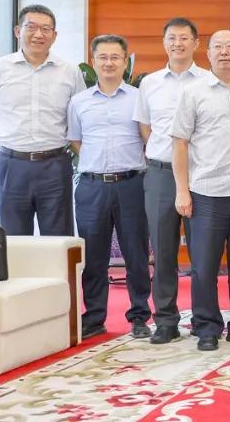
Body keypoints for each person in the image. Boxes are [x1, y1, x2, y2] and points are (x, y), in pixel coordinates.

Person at [170, 30, 230, 351]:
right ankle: (206, 326)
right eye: (218, 47)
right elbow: (179, 144)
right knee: (204, 266)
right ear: (208, 53)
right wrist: (182, 190)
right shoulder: (193, 92)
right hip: (206, 192)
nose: (225, 52)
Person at [0, 4, 86, 235]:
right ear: (18, 31)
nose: (38, 34)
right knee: (14, 236)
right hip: (12, 165)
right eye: (31, 27)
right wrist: (9, 138)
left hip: (55, 164)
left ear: (54, 35)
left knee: (58, 237)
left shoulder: (70, 72)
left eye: (46, 29)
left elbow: (79, 117)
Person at [67, 35, 152, 340]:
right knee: (93, 256)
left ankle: (140, 315)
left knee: (136, 254)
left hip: (132, 185)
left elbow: (148, 137)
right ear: (94, 61)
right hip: (92, 187)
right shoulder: (79, 102)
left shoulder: (139, 97)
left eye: (115, 57)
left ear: (125, 62)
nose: (108, 63)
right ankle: (94, 317)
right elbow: (75, 141)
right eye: (102, 57)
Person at [133, 17, 211, 345]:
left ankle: (205, 320)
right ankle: (166, 320)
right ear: (164, 43)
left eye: (184, 38)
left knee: (202, 252)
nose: (178, 43)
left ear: (196, 43)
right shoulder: (149, 83)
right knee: (163, 251)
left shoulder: (209, 81)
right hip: (161, 175)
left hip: (201, 175)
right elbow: (145, 128)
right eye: (172, 38)